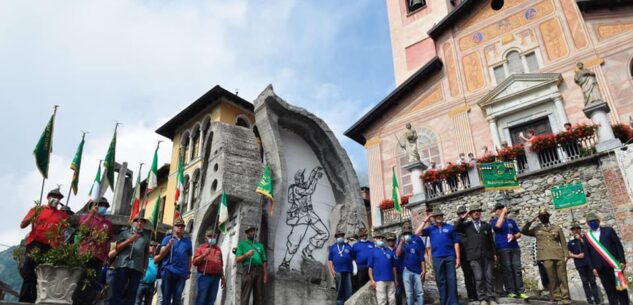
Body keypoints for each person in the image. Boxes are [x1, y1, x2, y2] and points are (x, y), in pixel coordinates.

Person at [18, 188, 69, 302]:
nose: (56, 199)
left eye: (58, 197)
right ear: (48, 197)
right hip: (35, 244)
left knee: (44, 276)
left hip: (50, 248)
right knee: (29, 273)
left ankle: (38, 300)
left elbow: (62, 235)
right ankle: (24, 300)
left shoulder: (63, 216)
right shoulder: (37, 209)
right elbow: (22, 225)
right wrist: (33, 216)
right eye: (54, 196)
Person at [521, 208, 570, 305]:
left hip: (558, 255)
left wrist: (566, 254)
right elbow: (524, 231)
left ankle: (566, 298)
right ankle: (558, 298)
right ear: (539, 218)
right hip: (546, 256)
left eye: (545, 216)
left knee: (562, 278)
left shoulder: (556, 228)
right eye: (541, 216)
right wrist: (531, 220)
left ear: (548, 216)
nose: (543, 217)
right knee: (552, 279)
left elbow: (563, 242)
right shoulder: (537, 229)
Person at [73, 197, 114, 305]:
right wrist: (91, 214)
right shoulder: (86, 217)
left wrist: (106, 257)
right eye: (101, 205)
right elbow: (82, 229)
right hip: (85, 254)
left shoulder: (108, 224)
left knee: (93, 282)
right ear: (96, 206)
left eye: (106, 206)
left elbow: (108, 241)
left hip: (99, 257)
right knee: (81, 280)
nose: (103, 208)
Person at [583, 212, 630, 305]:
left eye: (594, 221)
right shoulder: (587, 237)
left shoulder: (608, 230)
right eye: (590, 222)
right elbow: (587, 254)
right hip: (601, 268)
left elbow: (618, 246)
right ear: (588, 224)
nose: (592, 223)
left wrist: (622, 261)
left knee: (622, 290)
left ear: (598, 221)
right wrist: (593, 268)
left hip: (615, 266)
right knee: (610, 292)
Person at [415, 209, 459, 305]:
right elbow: (417, 233)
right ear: (433, 218)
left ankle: (454, 302)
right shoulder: (431, 229)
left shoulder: (450, 227)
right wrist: (425, 220)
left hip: (449, 256)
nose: (438, 217)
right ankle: (444, 302)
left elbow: (456, 243)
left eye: (440, 216)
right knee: (440, 280)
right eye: (436, 216)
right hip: (437, 257)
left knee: (451, 279)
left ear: (442, 217)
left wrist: (458, 258)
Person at [455, 205, 497, 305]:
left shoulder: (486, 225)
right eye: (473, 212)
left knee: (489, 277)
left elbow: (491, 241)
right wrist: (463, 218)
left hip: (487, 255)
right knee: (479, 278)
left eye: (478, 211)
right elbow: (455, 228)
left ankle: (491, 298)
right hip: (473, 256)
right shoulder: (466, 226)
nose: (476, 213)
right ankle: (482, 298)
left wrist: (494, 253)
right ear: (470, 214)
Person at [110, 213, 150, 305]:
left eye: (142, 222)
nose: (140, 223)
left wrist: (144, 269)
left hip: (137, 267)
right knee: (118, 289)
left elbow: (146, 254)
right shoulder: (125, 233)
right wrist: (129, 240)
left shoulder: (146, 237)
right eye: (138, 221)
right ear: (133, 222)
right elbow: (117, 248)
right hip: (123, 265)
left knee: (132, 292)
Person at [490, 203, 527, 299]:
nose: (501, 210)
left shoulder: (511, 221)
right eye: (499, 209)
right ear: (496, 211)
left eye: (502, 208)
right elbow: (498, 226)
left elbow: (519, 233)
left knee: (517, 269)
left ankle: (520, 291)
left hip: (514, 247)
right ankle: (510, 291)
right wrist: (503, 213)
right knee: (508, 270)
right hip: (503, 248)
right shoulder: (494, 221)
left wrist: (514, 236)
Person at [155, 217, 192, 305]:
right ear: (173, 227)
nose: (180, 227)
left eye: (182, 226)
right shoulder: (167, 239)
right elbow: (161, 253)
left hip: (181, 273)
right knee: (166, 298)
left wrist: (188, 271)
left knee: (177, 298)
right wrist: (168, 245)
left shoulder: (188, 241)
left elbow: (189, 257)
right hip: (168, 271)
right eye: (178, 225)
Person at [567, 221, 601, 305]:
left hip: (589, 264)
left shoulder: (585, 239)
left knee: (592, 281)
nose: (575, 231)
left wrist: (580, 239)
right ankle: (589, 300)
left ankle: (597, 300)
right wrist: (577, 256)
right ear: (572, 232)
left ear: (580, 230)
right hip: (580, 265)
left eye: (577, 229)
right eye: (573, 230)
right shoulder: (571, 243)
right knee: (585, 282)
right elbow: (569, 254)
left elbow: (590, 248)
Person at [235, 226, 268, 305]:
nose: (252, 233)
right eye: (250, 231)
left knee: (258, 295)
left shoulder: (260, 245)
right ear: (247, 233)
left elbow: (264, 261)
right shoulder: (242, 244)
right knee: (245, 294)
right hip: (248, 269)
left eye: (253, 231)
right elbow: (237, 260)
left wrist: (265, 274)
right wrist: (246, 255)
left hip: (259, 270)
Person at [193, 229, 226, 305]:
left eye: (214, 236)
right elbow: (195, 262)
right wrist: (203, 255)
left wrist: (222, 278)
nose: (212, 238)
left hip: (216, 278)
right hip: (204, 276)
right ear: (205, 238)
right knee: (201, 299)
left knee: (211, 300)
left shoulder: (218, 249)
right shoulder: (201, 248)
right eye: (210, 236)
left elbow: (220, 264)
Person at [396, 223, 425, 305]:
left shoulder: (416, 241)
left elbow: (421, 257)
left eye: (408, 233)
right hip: (406, 270)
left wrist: (424, 270)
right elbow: (397, 254)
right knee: (409, 293)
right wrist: (401, 243)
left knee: (420, 292)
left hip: (417, 270)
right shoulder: (401, 242)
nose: (407, 235)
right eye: (405, 233)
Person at [454, 206, 477, 302]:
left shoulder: (469, 224)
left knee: (476, 276)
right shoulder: (457, 225)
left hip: (473, 254)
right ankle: (471, 295)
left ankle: (478, 294)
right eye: (461, 214)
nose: (463, 215)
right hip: (464, 257)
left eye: (464, 213)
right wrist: (462, 218)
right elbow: (456, 227)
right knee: (468, 276)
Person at [368, 232, 398, 305]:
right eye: (378, 238)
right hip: (379, 280)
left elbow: (394, 267)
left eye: (382, 238)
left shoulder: (389, 251)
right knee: (382, 301)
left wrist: (395, 279)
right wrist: (372, 280)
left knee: (392, 300)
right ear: (375, 240)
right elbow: (370, 268)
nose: (380, 239)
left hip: (390, 279)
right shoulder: (372, 251)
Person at [328, 230, 354, 305]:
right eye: (338, 236)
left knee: (348, 288)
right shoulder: (332, 248)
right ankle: (339, 303)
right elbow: (330, 260)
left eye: (341, 236)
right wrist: (332, 270)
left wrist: (353, 269)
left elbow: (353, 258)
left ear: (343, 237)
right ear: (336, 238)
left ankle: (349, 302)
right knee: (339, 288)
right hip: (337, 271)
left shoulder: (348, 246)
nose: (340, 237)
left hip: (348, 270)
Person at [352, 227, 373, 292]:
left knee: (370, 283)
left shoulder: (371, 244)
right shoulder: (356, 245)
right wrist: (355, 268)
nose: (364, 237)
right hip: (360, 268)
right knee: (361, 284)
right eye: (362, 235)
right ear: (359, 236)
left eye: (365, 235)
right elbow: (353, 257)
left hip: (370, 267)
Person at [387, 232, 405, 305]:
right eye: (389, 240)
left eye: (392, 240)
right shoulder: (385, 251)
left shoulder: (399, 249)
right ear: (387, 241)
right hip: (389, 275)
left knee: (400, 292)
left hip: (399, 273)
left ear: (395, 241)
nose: (391, 242)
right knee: (392, 294)